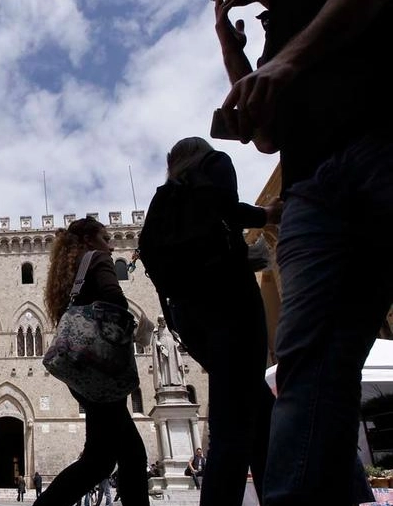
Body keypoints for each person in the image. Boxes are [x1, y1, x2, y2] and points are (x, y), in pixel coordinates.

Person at [214, 1, 393, 504]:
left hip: (378, 142)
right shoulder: (274, 29)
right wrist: (236, 58)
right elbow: (266, 137)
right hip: (311, 183)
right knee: (305, 362)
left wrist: (288, 61)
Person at [153, 137, 278, 505]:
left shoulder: (165, 197)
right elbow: (224, 207)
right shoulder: (214, 165)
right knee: (233, 419)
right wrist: (267, 215)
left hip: (188, 317)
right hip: (229, 301)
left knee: (256, 405)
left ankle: (278, 491)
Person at [35, 217, 149, 506]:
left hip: (81, 372)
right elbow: (115, 300)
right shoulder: (97, 259)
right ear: (89, 240)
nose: (110, 246)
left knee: (105, 459)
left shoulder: (69, 272)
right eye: (105, 238)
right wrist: (136, 327)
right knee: (118, 458)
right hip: (103, 368)